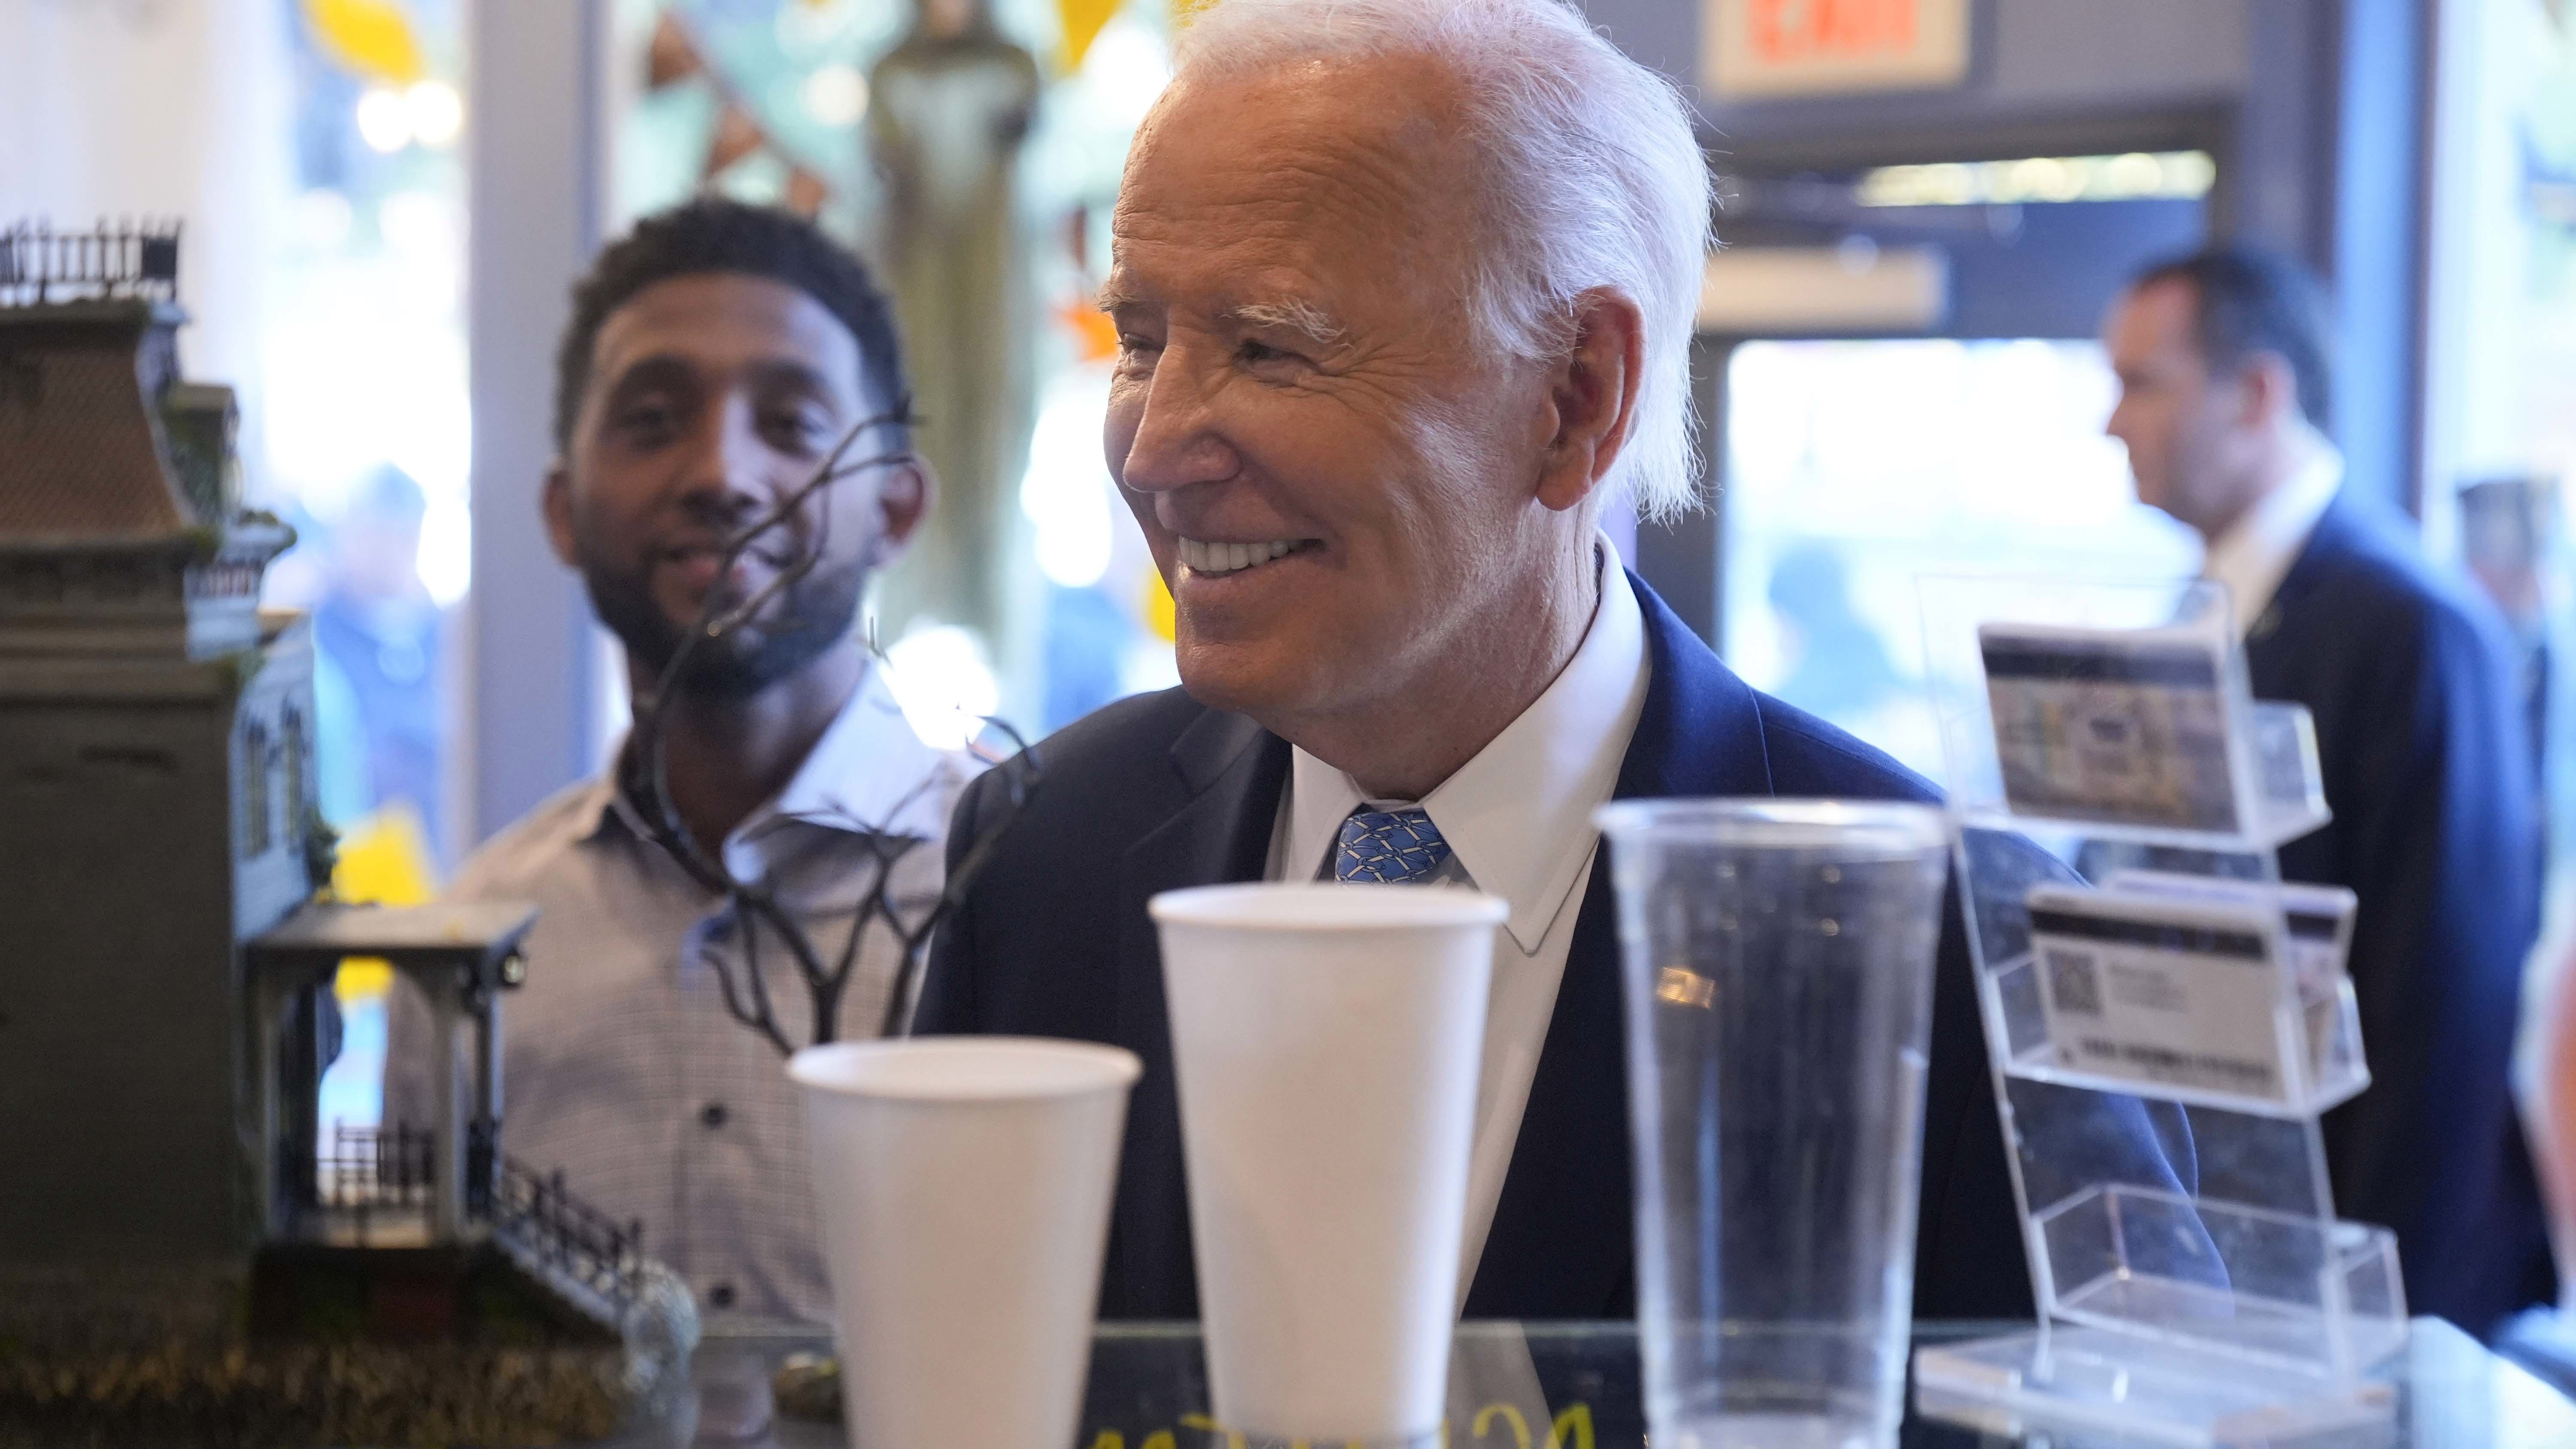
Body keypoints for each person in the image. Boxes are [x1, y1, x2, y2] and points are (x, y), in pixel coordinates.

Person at [917, 0, 2193, 1320]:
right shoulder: (1046, 849)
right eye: (1140, 339)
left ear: (1579, 396)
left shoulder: (1957, 957)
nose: (1153, 446)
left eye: (1271, 347)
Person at [390, 198, 973, 1322]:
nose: (721, 471)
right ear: (564, 509)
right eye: (653, 421)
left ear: (894, 508)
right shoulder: (474, 947)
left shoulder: (1015, 894)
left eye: (795, 424)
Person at [2102, 245, 2554, 1333]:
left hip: (2358, 1285)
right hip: (2234, 1257)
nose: (2114, 425)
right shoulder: (2204, 607)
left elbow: (2448, 1003)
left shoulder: (2412, 625)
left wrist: (2383, 1326)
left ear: (2258, 394)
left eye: (2143, 384)